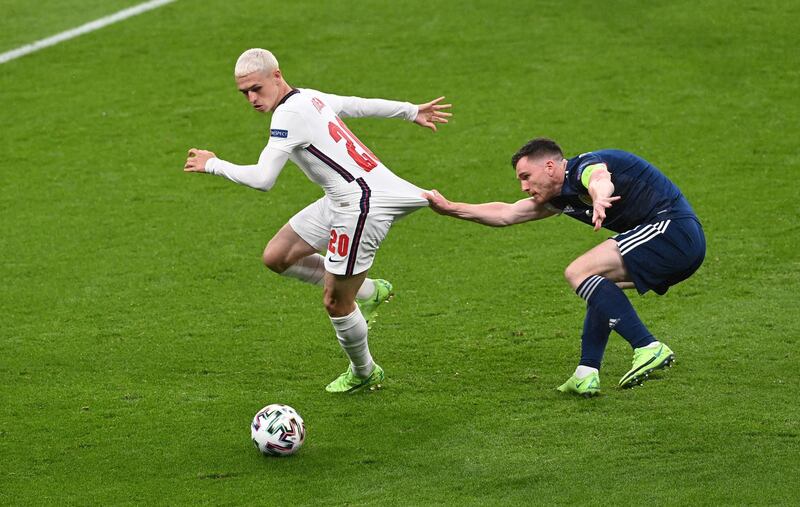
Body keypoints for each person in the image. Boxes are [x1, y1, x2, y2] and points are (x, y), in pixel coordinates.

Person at [184, 48, 451, 393]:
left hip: (360, 205)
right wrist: (410, 110)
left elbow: (263, 179)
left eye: (256, 88)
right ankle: (369, 292)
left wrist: (214, 164)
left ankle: (364, 370)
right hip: (340, 196)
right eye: (244, 93)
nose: (251, 98)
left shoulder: (287, 117)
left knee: (336, 302)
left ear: (277, 75)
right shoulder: (308, 97)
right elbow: (357, 103)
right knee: (276, 257)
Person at [424, 138, 705, 397]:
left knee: (578, 272)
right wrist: (450, 208)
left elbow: (598, 177)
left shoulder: (582, 167)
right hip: (677, 243)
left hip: (671, 230)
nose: (523, 186)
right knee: (599, 288)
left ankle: (647, 346)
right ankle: (587, 371)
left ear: (549, 166)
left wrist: (600, 197)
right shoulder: (559, 196)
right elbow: (507, 213)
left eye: (526, 177)